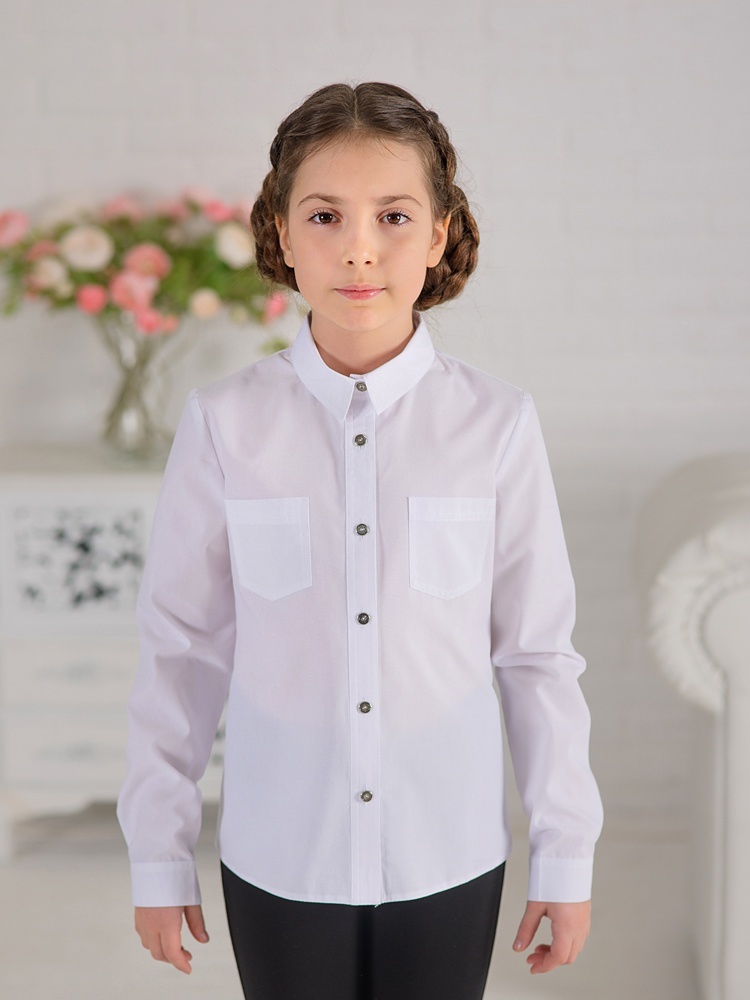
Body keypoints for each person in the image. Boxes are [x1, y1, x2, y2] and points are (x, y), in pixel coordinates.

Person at [116, 81, 604, 1000]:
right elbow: (181, 651)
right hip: (280, 855)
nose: (359, 249)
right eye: (325, 215)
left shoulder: (497, 423)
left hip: (449, 853)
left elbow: (536, 654)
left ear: (440, 234)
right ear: (281, 232)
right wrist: (159, 854)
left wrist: (565, 852)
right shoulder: (225, 424)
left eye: (393, 216)